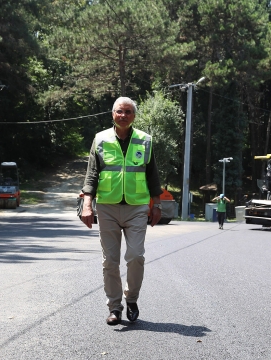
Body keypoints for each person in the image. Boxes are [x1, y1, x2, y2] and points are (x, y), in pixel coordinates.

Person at [80, 97, 162, 326]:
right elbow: (92, 174)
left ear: (134, 116)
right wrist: (88, 204)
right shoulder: (100, 139)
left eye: (128, 111)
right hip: (107, 206)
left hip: (136, 207)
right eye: (119, 111)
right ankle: (115, 307)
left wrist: (157, 204)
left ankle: (132, 299)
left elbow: (152, 174)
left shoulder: (145, 140)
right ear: (112, 114)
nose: (123, 115)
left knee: (136, 256)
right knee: (110, 261)